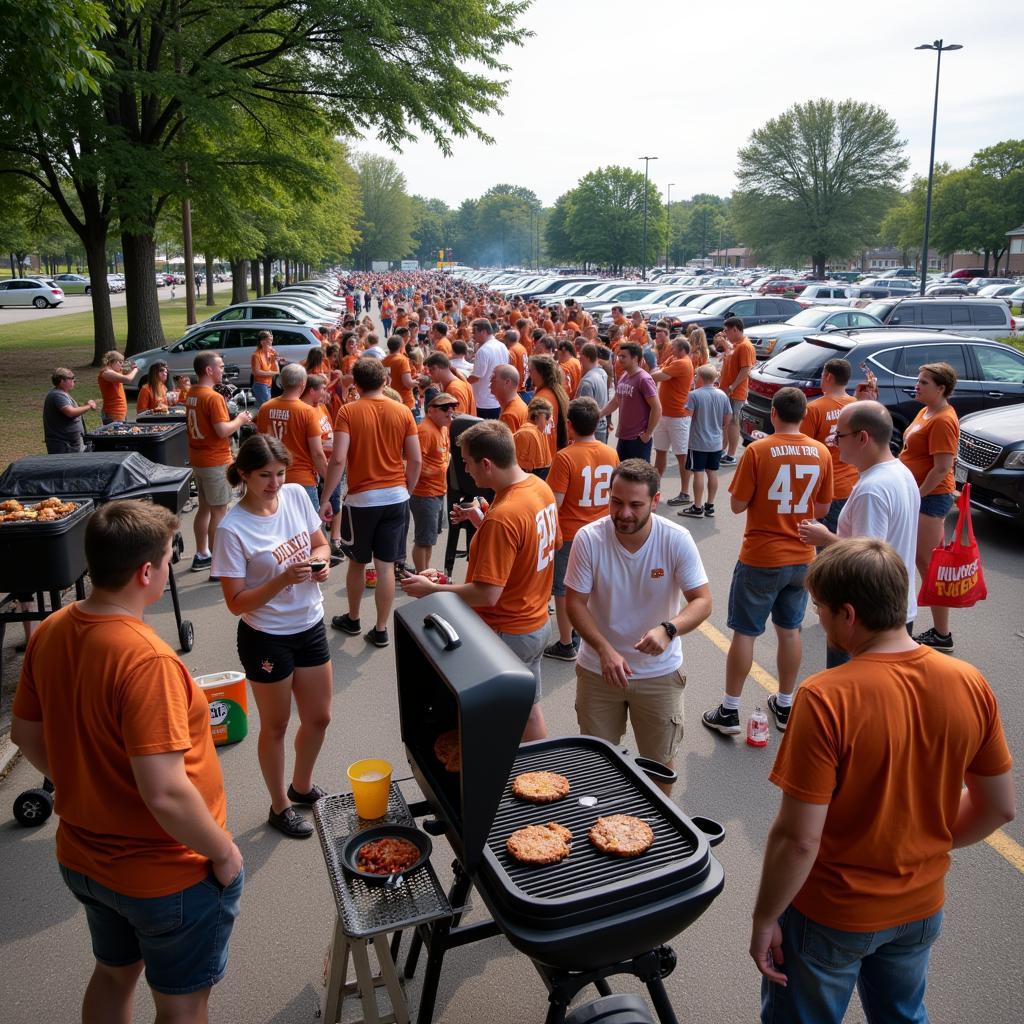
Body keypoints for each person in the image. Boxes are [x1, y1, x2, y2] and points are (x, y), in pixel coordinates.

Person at [750, 538, 1014, 1024]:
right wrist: (919, 843)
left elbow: (799, 838)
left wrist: (765, 917)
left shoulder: (826, 696)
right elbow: (998, 807)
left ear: (848, 614)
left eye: (821, 610)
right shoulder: (969, 682)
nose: (820, 621)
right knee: (903, 1015)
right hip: (920, 908)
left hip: (832, 913)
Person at [11, 500, 243, 1023]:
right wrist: (223, 851)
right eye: (167, 558)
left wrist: (85, 780)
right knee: (181, 1007)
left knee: (114, 973)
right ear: (146, 571)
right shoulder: (147, 659)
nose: (168, 567)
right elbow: (163, 790)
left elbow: (24, 732)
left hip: (85, 858)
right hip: (164, 874)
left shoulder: (50, 629)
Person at [401, 420, 558, 741]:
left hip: (506, 631)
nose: (465, 471)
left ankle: (504, 781)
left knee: (488, 721)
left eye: (468, 463)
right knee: (528, 711)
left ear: (486, 463)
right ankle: (540, 776)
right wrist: (481, 521)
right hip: (534, 623)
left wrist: (434, 591)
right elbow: (532, 549)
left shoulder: (504, 516)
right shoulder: (537, 489)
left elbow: (487, 594)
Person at [565, 460, 711, 794]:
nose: (624, 513)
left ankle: (656, 835)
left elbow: (702, 600)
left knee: (660, 767)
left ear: (655, 501)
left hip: (658, 674)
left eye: (635, 505)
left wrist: (668, 629)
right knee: (595, 764)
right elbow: (574, 602)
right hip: (599, 671)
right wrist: (604, 650)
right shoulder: (589, 539)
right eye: (616, 502)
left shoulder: (675, 539)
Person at [213, 435, 333, 839]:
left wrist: (320, 562)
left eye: (280, 473)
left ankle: (301, 786)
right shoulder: (232, 528)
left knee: (320, 717)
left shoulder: (297, 494)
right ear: (243, 474)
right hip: (266, 636)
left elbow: (319, 542)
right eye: (265, 475)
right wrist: (282, 578)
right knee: (277, 726)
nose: (275, 483)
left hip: (310, 622)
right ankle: (279, 805)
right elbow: (235, 601)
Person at [703, 387, 833, 736]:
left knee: (745, 632)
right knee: (789, 629)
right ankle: (786, 703)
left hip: (762, 555)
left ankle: (730, 710)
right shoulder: (820, 451)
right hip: (802, 555)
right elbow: (822, 510)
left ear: (773, 413)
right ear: (804, 415)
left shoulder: (759, 450)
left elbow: (737, 504)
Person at [798, 401, 920, 667]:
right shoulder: (902, 473)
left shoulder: (871, 490)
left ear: (863, 438)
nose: (834, 442)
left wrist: (825, 538)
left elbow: (866, 557)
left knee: (848, 699)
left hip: (864, 619)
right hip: (896, 609)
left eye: (839, 435)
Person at [320, 357, 421, 648]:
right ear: (385, 381)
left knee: (357, 563)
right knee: (386, 566)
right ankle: (381, 628)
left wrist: (327, 498)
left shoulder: (348, 411)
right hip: (396, 496)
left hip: (362, 499)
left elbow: (338, 458)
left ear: (356, 383)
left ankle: (353, 618)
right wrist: (407, 489)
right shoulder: (403, 411)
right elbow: (414, 459)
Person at [543, 397, 619, 662]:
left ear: (570, 425)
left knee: (563, 591)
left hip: (572, 533)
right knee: (595, 586)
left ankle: (567, 642)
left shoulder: (565, 457)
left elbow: (556, 502)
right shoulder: (610, 453)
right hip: (600, 529)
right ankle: (592, 631)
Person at [898, 362, 961, 652]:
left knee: (930, 565)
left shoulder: (943, 420)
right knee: (918, 561)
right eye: (919, 379)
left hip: (931, 498)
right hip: (920, 494)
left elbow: (942, 467)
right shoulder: (926, 411)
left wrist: (916, 495)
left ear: (941, 388)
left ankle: (942, 633)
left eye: (924, 382)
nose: (918, 385)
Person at [185, 353, 253, 573]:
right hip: (215, 460)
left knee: (204, 509)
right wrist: (240, 420)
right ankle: (218, 562)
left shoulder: (192, 393)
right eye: (220, 366)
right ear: (209, 370)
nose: (223, 370)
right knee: (219, 512)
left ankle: (202, 553)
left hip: (198, 459)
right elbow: (222, 430)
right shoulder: (212, 397)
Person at [255, 363, 328, 512]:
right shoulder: (307, 411)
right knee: (308, 531)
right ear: (303, 384)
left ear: (282, 382)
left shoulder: (265, 407)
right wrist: (328, 477)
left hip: (271, 479)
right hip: (302, 479)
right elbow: (317, 453)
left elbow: (261, 443)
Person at [800, 358, 857, 535]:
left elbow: (803, 450)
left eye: (823, 375)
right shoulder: (856, 405)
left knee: (824, 547)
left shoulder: (814, 409)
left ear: (829, 377)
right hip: (853, 485)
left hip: (826, 490)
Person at [678, 364, 734, 518]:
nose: (695, 378)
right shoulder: (722, 395)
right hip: (715, 442)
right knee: (713, 473)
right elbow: (728, 416)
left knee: (698, 473)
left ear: (700, 378)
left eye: (696, 376)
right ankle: (710, 505)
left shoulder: (694, 395)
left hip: (698, 442)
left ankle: (697, 506)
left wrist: (684, 408)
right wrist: (720, 426)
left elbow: (688, 413)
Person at [409, 392, 455, 571]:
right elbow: (414, 463)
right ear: (430, 411)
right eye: (444, 408)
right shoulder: (425, 431)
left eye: (452, 407)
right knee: (423, 540)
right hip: (424, 494)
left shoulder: (443, 427)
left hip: (437, 492)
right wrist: (441, 467)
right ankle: (422, 575)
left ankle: (426, 571)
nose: (450, 411)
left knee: (429, 540)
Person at [651, 335, 695, 505]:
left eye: (674, 347)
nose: (671, 349)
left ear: (682, 349)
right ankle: (655, 488)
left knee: (682, 456)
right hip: (665, 415)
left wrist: (653, 371)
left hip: (678, 417)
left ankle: (685, 493)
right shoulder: (674, 359)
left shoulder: (682, 363)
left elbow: (658, 376)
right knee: (660, 451)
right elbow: (660, 371)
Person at [600, 342, 661, 463]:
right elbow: (616, 401)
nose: (619, 359)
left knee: (639, 478)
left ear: (635, 358)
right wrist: (600, 414)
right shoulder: (624, 375)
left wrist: (648, 434)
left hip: (638, 439)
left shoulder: (644, 379)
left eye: (623, 356)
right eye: (619, 356)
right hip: (623, 437)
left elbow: (657, 408)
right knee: (622, 474)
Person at [718, 317, 756, 464]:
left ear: (735, 329)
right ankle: (722, 450)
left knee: (733, 422)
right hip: (727, 390)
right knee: (726, 422)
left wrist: (732, 386)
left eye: (726, 330)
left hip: (735, 392)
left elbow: (746, 369)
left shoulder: (745, 346)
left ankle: (731, 455)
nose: (725, 333)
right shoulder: (735, 345)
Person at [528, 354, 570, 462]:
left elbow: (543, 432)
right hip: (550, 455)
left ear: (541, 373)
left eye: (531, 371)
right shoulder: (553, 391)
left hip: (543, 459)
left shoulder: (543, 397)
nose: (529, 375)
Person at [43, 367, 95, 453]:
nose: (74, 381)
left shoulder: (61, 393)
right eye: (71, 378)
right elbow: (70, 412)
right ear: (61, 380)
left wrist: (86, 406)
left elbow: (73, 410)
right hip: (64, 445)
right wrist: (89, 406)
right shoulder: (57, 395)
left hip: (69, 444)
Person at [467, 317, 510, 419]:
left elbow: (476, 377)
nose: (473, 336)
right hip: (496, 399)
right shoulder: (502, 346)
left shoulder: (483, 350)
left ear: (483, 332)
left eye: (474, 332)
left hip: (483, 402)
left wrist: (462, 381)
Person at [576, 343, 610, 443]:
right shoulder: (602, 372)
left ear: (587, 357)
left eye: (581, 356)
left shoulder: (587, 382)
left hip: (591, 432)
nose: (579, 359)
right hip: (602, 426)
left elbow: (584, 413)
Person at [514, 397, 554, 478]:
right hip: (532, 475)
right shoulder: (525, 433)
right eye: (548, 418)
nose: (550, 421)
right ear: (538, 417)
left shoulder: (540, 430)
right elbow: (516, 462)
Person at [97, 350, 140, 424]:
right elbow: (127, 379)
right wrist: (135, 370)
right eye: (120, 362)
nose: (122, 365)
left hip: (119, 413)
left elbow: (124, 374)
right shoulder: (106, 373)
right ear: (111, 361)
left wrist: (131, 369)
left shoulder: (114, 371)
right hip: (113, 413)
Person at [492, 363, 528, 432]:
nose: (490, 381)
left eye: (493, 378)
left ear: (507, 382)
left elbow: (507, 443)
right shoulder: (518, 402)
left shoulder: (509, 416)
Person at [383, 335, 416, 409]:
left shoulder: (383, 361)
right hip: (404, 401)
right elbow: (408, 383)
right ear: (401, 346)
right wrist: (419, 381)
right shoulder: (402, 360)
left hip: (389, 400)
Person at [250, 330, 281, 407]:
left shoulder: (271, 354)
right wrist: (274, 373)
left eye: (271, 341)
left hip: (268, 384)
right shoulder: (256, 355)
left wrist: (274, 359)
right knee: (265, 407)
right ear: (262, 342)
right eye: (269, 341)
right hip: (260, 384)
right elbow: (257, 372)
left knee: (265, 407)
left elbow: (277, 371)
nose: (271, 343)